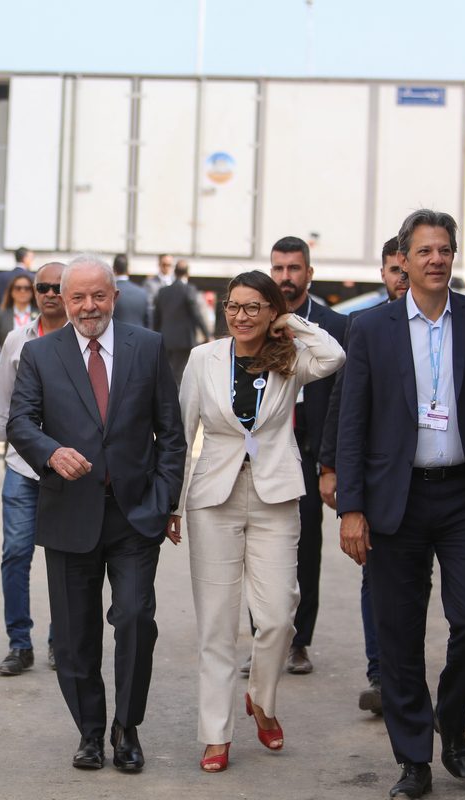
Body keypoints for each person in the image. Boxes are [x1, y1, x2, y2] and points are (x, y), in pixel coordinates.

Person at [336, 209, 465, 799]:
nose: (436, 259)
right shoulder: (372, 328)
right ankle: (414, 759)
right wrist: (351, 506)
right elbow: (353, 423)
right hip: (397, 500)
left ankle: (453, 716)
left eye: (445, 250)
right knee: (398, 632)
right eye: (425, 251)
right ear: (406, 261)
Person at [8, 255, 185, 774]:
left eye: (99, 296)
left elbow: (170, 434)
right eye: (78, 297)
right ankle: (89, 730)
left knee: (134, 620)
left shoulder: (146, 347)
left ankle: (126, 729)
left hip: (134, 516)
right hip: (69, 513)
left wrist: (163, 500)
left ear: (115, 296)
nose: (89, 307)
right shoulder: (40, 353)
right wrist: (49, 452)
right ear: (62, 299)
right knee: (73, 633)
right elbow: (21, 419)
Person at [174, 270, 343, 774]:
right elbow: (183, 435)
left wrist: (290, 321)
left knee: (277, 616)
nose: (241, 316)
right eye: (233, 306)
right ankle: (215, 733)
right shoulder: (203, 359)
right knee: (218, 623)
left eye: (253, 307)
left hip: (275, 494)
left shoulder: (289, 358)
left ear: (271, 311)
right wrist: (173, 505)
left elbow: (335, 356)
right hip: (213, 498)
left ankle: (262, 700)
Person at [318, 236, 409, 715]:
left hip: (433, 478)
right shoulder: (363, 326)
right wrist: (331, 467)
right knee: (377, 578)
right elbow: (343, 402)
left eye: (406, 268)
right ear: (384, 272)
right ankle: (381, 675)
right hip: (377, 477)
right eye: (395, 269)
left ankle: (403, 672)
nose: (403, 278)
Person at [267, 235, 347, 676]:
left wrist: (330, 464)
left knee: (306, 548)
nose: (285, 277)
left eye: (293, 268)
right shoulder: (255, 320)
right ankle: (266, 641)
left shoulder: (335, 325)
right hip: (265, 455)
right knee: (260, 549)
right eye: (278, 268)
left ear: (309, 273)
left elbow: (341, 401)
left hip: (311, 456)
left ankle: (300, 642)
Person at [0, 261, 66, 676]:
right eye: (43, 287)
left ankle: (60, 641)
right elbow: (0, 406)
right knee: (15, 554)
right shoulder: (17, 340)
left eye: (59, 286)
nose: (51, 293)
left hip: (69, 469)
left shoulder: (82, 340)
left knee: (64, 558)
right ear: (33, 292)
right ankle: (20, 643)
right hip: (21, 466)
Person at [153, 261, 211, 385]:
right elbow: (196, 314)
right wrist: (207, 334)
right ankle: (176, 402)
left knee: (166, 373)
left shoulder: (163, 291)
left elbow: (156, 317)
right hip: (184, 340)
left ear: (175, 272)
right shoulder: (189, 289)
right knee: (181, 375)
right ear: (188, 273)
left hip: (165, 339)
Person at [0, 272, 36, 388]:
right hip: (8, 373)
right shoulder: (1, 316)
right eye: (18, 288)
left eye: (27, 288)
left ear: (32, 292)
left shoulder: (39, 315)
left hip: (35, 374)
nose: (22, 291)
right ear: (11, 291)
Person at [111, 254, 150, 328]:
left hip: (117, 336)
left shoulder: (109, 292)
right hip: (140, 337)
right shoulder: (142, 292)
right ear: (128, 269)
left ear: (113, 269)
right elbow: (148, 321)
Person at [0, 246, 33, 312]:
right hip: (27, 318)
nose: (32, 261)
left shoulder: (0, 277)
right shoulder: (32, 277)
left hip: (3, 318)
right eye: (31, 258)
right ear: (25, 258)